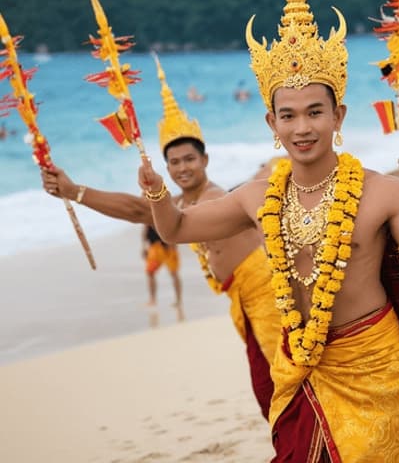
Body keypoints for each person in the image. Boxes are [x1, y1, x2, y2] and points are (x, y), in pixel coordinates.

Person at [138, 0, 399, 461]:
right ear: (271, 124)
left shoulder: (380, 192)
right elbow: (179, 230)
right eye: (289, 115)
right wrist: (157, 191)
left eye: (315, 112)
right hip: (300, 370)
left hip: (376, 370)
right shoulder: (256, 196)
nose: (302, 127)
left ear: (338, 116)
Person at [40, 56, 278, 417]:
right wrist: (75, 192)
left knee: (281, 390)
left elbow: (144, 212)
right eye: (174, 163)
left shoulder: (215, 199)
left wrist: (77, 192)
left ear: (206, 160)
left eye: (189, 160)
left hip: (268, 298)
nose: (182, 168)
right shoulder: (183, 202)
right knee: (273, 393)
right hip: (241, 302)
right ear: (166, 168)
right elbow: (138, 208)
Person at [142, 224, 182, 311]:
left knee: (174, 273)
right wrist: (143, 246)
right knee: (150, 272)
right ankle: (152, 299)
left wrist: (175, 242)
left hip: (169, 246)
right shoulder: (149, 211)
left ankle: (178, 300)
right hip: (155, 246)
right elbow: (145, 227)